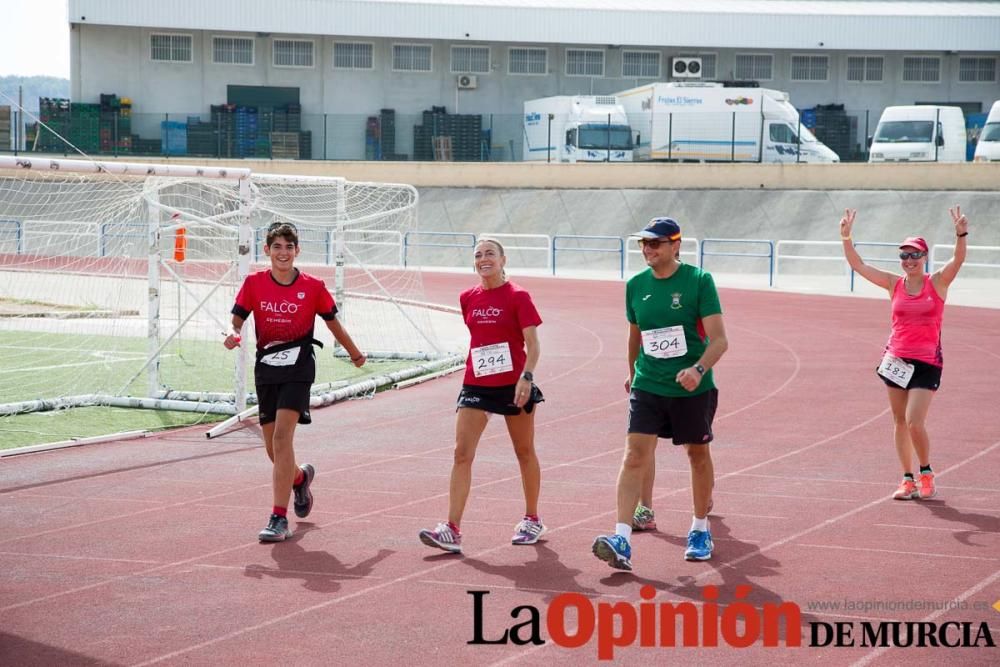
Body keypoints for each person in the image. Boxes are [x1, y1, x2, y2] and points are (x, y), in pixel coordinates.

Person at [593, 217, 729, 571]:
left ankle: (700, 528)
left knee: (697, 455)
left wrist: (698, 369)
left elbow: (719, 339)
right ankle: (621, 536)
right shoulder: (636, 285)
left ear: (675, 245)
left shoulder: (699, 281)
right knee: (634, 455)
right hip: (648, 384)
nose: (647, 249)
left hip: (691, 387)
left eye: (655, 243)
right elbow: (634, 336)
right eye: (643, 244)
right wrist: (631, 372)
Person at [224, 221, 366, 542]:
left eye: (289, 247)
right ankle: (300, 479)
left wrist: (355, 353)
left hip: (299, 365)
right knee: (274, 450)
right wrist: (232, 335)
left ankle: (278, 518)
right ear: (267, 251)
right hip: (267, 368)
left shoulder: (313, 287)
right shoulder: (254, 283)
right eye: (277, 247)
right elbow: (236, 321)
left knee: (282, 439)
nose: (283, 253)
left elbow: (333, 325)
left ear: (297, 251)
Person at [419, 238, 545, 554]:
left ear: (503, 259)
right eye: (478, 255)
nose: (483, 259)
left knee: (524, 451)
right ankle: (451, 529)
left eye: (490, 253)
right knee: (462, 452)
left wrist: (526, 378)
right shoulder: (467, 298)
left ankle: (532, 519)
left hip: (513, 384)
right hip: (476, 383)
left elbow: (533, 344)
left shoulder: (518, 296)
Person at [839, 207, 968, 501]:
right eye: (904, 255)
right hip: (896, 360)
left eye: (914, 255)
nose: (908, 260)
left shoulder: (938, 282)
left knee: (914, 420)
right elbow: (857, 264)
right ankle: (907, 478)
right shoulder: (892, 283)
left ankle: (926, 472)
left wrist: (960, 234)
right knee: (898, 421)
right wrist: (846, 235)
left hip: (927, 363)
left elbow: (959, 259)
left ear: (924, 258)